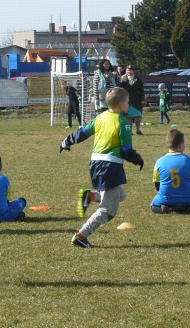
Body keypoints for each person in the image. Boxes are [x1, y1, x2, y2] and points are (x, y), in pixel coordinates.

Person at [61, 86, 143, 248]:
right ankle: (80, 236)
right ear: (120, 104)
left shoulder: (101, 117)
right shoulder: (124, 123)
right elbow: (127, 151)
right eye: (127, 102)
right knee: (108, 210)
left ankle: (90, 196)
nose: (129, 105)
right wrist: (139, 160)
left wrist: (66, 141)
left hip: (96, 164)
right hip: (110, 166)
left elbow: (82, 132)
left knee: (120, 195)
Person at [151, 128, 190, 214]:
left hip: (166, 199)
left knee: (153, 206)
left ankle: (166, 209)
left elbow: (157, 185)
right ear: (181, 145)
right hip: (187, 200)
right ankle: (183, 208)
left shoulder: (159, 162)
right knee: (187, 204)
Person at [119, 65, 145, 135]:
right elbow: (119, 88)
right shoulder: (123, 79)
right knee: (128, 117)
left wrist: (142, 99)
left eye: (130, 70)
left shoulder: (138, 79)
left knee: (138, 116)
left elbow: (142, 90)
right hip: (127, 101)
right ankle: (130, 131)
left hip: (136, 100)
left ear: (133, 71)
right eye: (128, 70)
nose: (129, 71)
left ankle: (138, 130)